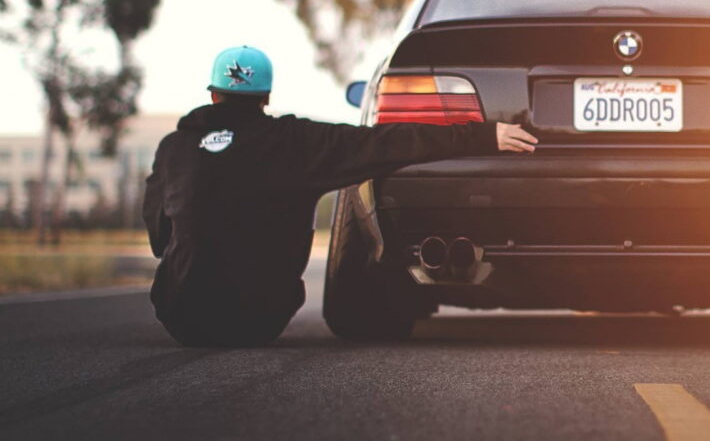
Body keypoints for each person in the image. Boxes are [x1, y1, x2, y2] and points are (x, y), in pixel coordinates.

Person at [142, 45, 537, 347]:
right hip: (255, 321)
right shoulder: (296, 143)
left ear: (213, 95)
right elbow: (385, 143)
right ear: (265, 99)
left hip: (182, 318)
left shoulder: (172, 148)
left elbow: (160, 237)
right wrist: (484, 134)